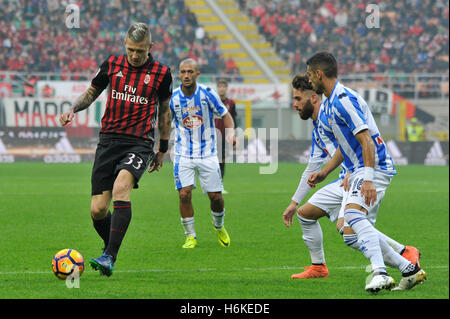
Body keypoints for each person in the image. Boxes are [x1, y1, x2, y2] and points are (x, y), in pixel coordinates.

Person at [305, 52, 426, 292]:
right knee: (350, 233)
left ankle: (380, 273)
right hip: (357, 167)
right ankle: (408, 268)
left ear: (319, 74)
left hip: (374, 165)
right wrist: (325, 172)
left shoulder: (342, 99)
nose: (309, 80)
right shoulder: (329, 103)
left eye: (310, 75)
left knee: (353, 215)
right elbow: (345, 144)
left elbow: (366, 139)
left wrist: (368, 178)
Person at [59, 23, 173, 276]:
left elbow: (165, 113)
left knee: (122, 187)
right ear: (125, 45)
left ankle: (110, 255)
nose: (135, 55)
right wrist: (72, 109)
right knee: (98, 210)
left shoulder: (162, 73)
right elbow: (91, 92)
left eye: (140, 51)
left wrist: (162, 148)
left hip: (139, 143)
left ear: (150, 48)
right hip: (108, 141)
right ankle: (109, 247)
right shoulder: (111, 64)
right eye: (131, 50)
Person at [167, 58, 237, 249]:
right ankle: (190, 236)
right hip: (183, 154)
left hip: (207, 153)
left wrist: (230, 132)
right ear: (179, 74)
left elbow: (225, 114)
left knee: (216, 197)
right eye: (183, 72)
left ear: (197, 74)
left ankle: (219, 226)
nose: (186, 75)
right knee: (184, 194)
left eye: (190, 72)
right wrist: (161, 147)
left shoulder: (207, 94)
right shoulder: (173, 98)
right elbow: (165, 122)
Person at [215, 78, 237, 193]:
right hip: (212, 136)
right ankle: (212, 184)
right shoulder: (212, 101)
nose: (222, 88)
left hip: (225, 137)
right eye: (220, 86)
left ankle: (219, 186)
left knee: (222, 161)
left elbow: (234, 120)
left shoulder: (231, 103)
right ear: (217, 88)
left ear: (226, 88)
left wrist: (234, 135)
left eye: (224, 86)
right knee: (212, 161)